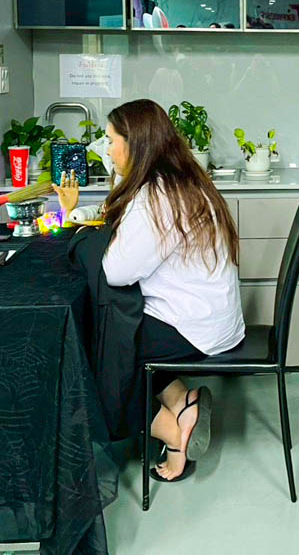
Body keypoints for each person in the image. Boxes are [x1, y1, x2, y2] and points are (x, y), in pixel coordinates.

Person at [54, 99, 244, 482]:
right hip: (211, 317)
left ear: (135, 144)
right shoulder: (179, 181)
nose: (107, 150)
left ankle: (171, 434)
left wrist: (84, 235)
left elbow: (117, 272)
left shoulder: (157, 198)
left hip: (193, 326)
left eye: (111, 141)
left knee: (102, 346)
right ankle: (185, 404)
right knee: (120, 330)